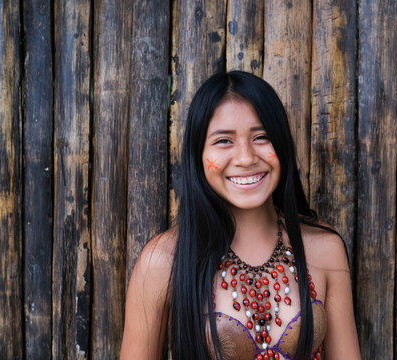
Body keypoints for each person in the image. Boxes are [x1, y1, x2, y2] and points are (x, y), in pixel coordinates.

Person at [120, 71, 361, 359]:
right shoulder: (162, 262)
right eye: (224, 141)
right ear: (198, 155)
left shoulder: (324, 248)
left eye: (262, 137)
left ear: (282, 145)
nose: (246, 158)